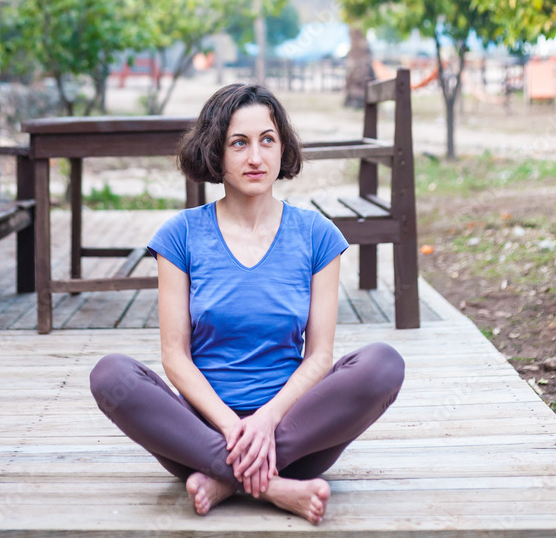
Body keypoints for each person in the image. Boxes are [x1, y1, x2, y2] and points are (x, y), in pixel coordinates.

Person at [90, 83, 405, 526]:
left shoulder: (317, 235)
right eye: (239, 143)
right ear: (216, 151)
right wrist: (231, 427)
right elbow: (174, 358)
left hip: (294, 432)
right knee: (111, 375)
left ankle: (224, 478)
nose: (255, 158)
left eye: (267, 140)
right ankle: (271, 486)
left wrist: (266, 421)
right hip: (197, 434)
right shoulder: (180, 236)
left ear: (283, 148)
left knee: (383, 364)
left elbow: (319, 357)